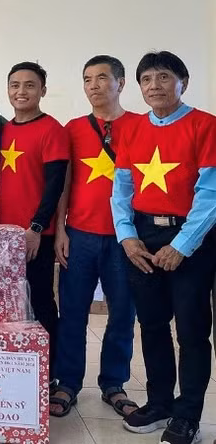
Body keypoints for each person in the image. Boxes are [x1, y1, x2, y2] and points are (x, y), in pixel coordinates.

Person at [112, 51, 216, 444]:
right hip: (142, 236)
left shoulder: (205, 125)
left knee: (191, 332)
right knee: (152, 325)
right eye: (147, 79)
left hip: (192, 239)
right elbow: (121, 189)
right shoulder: (134, 129)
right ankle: (158, 403)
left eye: (163, 77)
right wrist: (126, 235)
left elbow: (211, 194)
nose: (154, 86)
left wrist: (183, 245)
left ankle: (187, 414)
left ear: (182, 82)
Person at [50, 55, 139, 418]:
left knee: (122, 313)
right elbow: (64, 183)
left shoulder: (141, 125)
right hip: (80, 235)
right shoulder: (71, 128)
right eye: (88, 79)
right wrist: (60, 229)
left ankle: (114, 384)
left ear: (120, 83)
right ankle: (67, 383)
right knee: (72, 312)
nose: (94, 85)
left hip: (125, 239)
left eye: (103, 78)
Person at [0, 62, 70, 377]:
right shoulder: (6, 128)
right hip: (5, 233)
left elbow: (55, 185)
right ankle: (16, 365)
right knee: (10, 302)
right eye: (15, 85)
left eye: (29, 85)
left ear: (42, 90)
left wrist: (36, 228)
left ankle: (48, 371)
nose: (21, 91)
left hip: (35, 233)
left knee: (40, 300)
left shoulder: (52, 130)